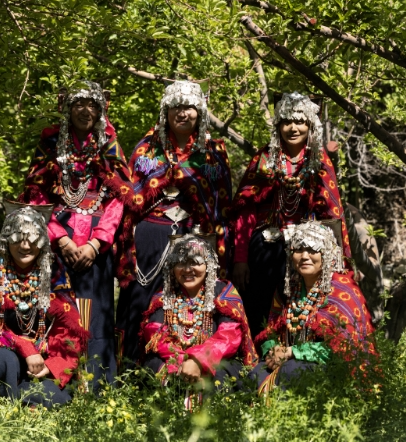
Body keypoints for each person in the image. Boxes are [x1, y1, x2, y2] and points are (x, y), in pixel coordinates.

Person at [20, 80, 130, 387]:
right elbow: (35, 193)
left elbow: (119, 197)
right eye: (78, 104)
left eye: (92, 105)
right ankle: (55, 381)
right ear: (66, 108)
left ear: (101, 109)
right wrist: (60, 237)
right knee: (56, 308)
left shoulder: (109, 145)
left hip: (96, 244)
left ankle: (95, 385)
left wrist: (97, 243)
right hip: (57, 242)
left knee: (95, 315)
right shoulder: (50, 143)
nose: (86, 111)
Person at [115, 80, 232, 366]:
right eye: (175, 107)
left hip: (196, 239)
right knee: (142, 300)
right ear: (165, 112)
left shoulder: (214, 153)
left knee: (189, 304)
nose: (182, 113)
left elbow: (222, 207)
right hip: (150, 239)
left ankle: (189, 366)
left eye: (189, 107)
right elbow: (130, 200)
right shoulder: (146, 149)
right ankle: (135, 369)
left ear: (200, 112)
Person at [231, 92, 350, 338]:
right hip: (266, 244)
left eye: (300, 122)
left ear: (310, 125)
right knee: (260, 297)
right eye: (287, 122)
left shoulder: (319, 161)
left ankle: (299, 347)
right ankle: (260, 347)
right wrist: (240, 259)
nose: (293, 128)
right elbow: (246, 209)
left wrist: (337, 260)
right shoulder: (265, 158)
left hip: (308, 245)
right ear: (278, 125)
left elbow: (331, 213)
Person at [0, 203, 88, 407]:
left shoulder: (55, 275)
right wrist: (25, 348)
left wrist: (52, 366)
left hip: (39, 364)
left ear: (42, 242)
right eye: (18, 238)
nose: (25, 246)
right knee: (5, 360)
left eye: (32, 239)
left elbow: (68, 332)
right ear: (7, 239)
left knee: (55, 399)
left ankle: (8, 398)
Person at [251, 221, 377, 395]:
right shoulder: (287, 290)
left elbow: (345, 347)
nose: (304, 256)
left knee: (290, 371)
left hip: (329, 367)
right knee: (254, 375)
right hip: (287, 361)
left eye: (312, 249)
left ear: (327, 253)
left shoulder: (341, 292)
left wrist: (293, 352)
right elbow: (271, 329)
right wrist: (273, 350)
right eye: (298, 249)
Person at [140, 234, 257, 389]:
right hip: (173, 362)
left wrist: (197, 361)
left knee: (223, 372)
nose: (187, 269)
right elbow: (155, 334)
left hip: (212, 362)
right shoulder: (164, 296)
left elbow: (229, 336)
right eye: (180, 263)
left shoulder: (223, 292)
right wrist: (181, 362)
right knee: (152, 366)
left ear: (208, 264)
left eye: (195, 262)